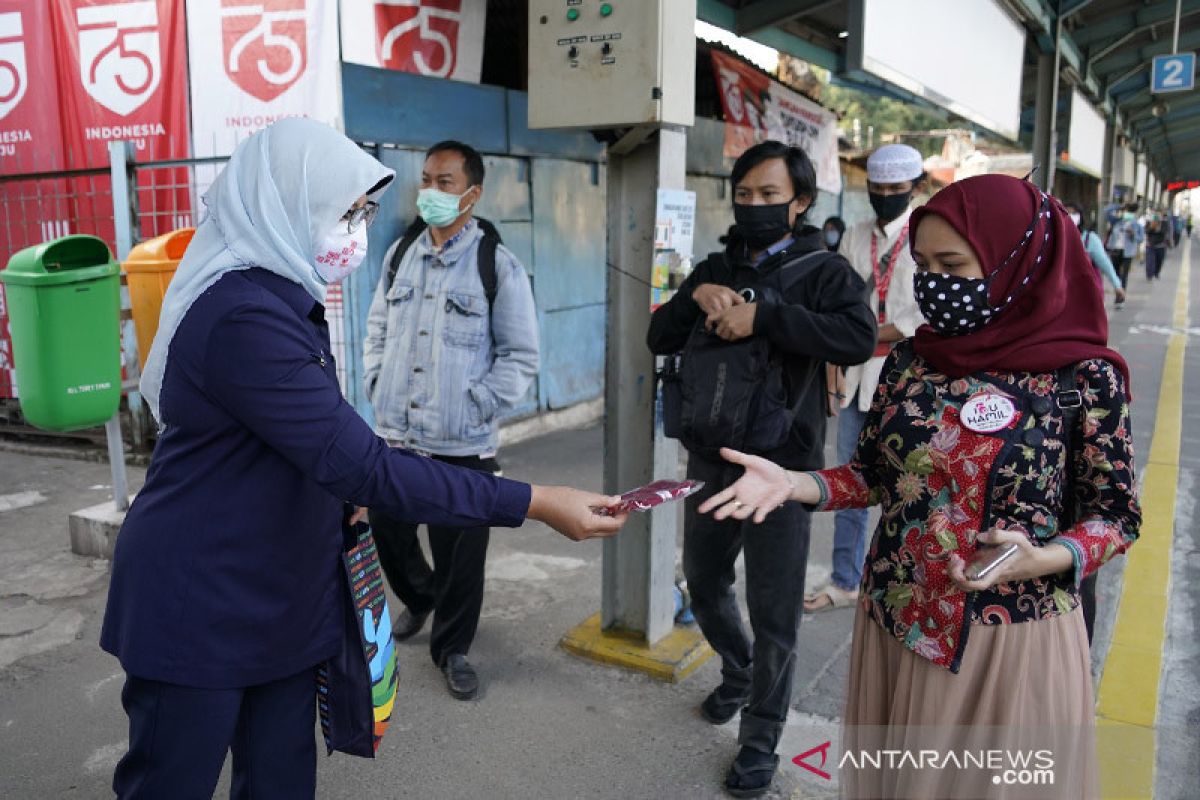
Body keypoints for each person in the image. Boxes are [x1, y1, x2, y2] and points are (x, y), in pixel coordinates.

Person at [99, 119, 625, 799]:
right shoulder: (242, 316)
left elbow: (315, 453)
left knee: (281, 780)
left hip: (281, 593)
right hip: (200, 600)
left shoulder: (287, 301)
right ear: (284, 202)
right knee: (173, 783)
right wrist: (536, 501)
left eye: (364, 212)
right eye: (345, 211)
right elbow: (364, 467)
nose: (358, 230)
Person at [699, 174, 1140, 798]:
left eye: (954, 264)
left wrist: (1049, 556)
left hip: (1011, 641)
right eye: (924, 264)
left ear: (1020, 260)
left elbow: (1117, 516)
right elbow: (875, 476)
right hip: (898, 621)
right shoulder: (913, 361)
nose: (935, 282)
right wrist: (796, 483)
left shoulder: (1085, 377)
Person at [647, 140, 876, 798]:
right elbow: (658, 338)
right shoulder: (714, 263)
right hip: (711, 458)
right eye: (744, 194)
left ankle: (760, 737)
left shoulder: (825, 271)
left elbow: (858, 337)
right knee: (705, 580)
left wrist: (766, 317)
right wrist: (696, 296)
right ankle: (740, 672)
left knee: (775, 611)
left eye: (769, 196)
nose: (754, 206)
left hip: (783, 471)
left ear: (800, 202)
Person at [362, 141, 538, 701]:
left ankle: (453, 647)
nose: (431, 193)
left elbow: (521, 357)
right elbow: (377, 330)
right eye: (427, 180)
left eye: (445, 182)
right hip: (397, 433)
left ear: (472, 193)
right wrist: (374, 383)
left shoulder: (497, 265)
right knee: (389, 529)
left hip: (462, 439)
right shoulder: (399, 254)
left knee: (462, 551)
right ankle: (419, 597)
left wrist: (477, 404)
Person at [806, 143, 926, 614]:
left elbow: (922, 318)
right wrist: (833, 371)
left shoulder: (928, 234)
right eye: (878, 189)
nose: (886, 196)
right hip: (857, 378)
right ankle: (844, 579)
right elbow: (836, 309)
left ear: (914, 188)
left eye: (896, 189)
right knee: (850, 483)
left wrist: (861, 334)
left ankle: (910, 582)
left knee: (911, 488)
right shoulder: (855, 235)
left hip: (909, 378)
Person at [1064, 201, 1126, 304]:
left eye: (1074, 213)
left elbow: (1105, 264)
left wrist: (1117, 285)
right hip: (1063, 294)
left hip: (1087, 294)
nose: (1070, 216)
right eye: (1067, 213)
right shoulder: (1055, 239)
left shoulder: (1089, 239)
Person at [1106, 202, 1143, 296]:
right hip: (1116, 250)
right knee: (1115, 274)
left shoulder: (1137, 224)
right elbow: (1106, 211)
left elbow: (1140, 239)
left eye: (1129, 211)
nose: (1127, 213)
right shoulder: (1117, 221)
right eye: (1126, 211)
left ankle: (1120, 297)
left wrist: (1133, 234)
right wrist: (1120, 206)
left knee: (1124, 275)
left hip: (1128, 252)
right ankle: (1118, 291)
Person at [1145, 212, 1168, 281]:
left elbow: (1164, 232)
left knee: (1159, 261)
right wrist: (1152, 228)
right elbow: (1146, 231)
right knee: (1150, 261)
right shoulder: (1149, 223)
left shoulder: (1164, 223)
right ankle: (1149, 275)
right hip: (1150, 246)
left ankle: (1156, 273)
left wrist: (1157, 229)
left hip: (1160, 246)